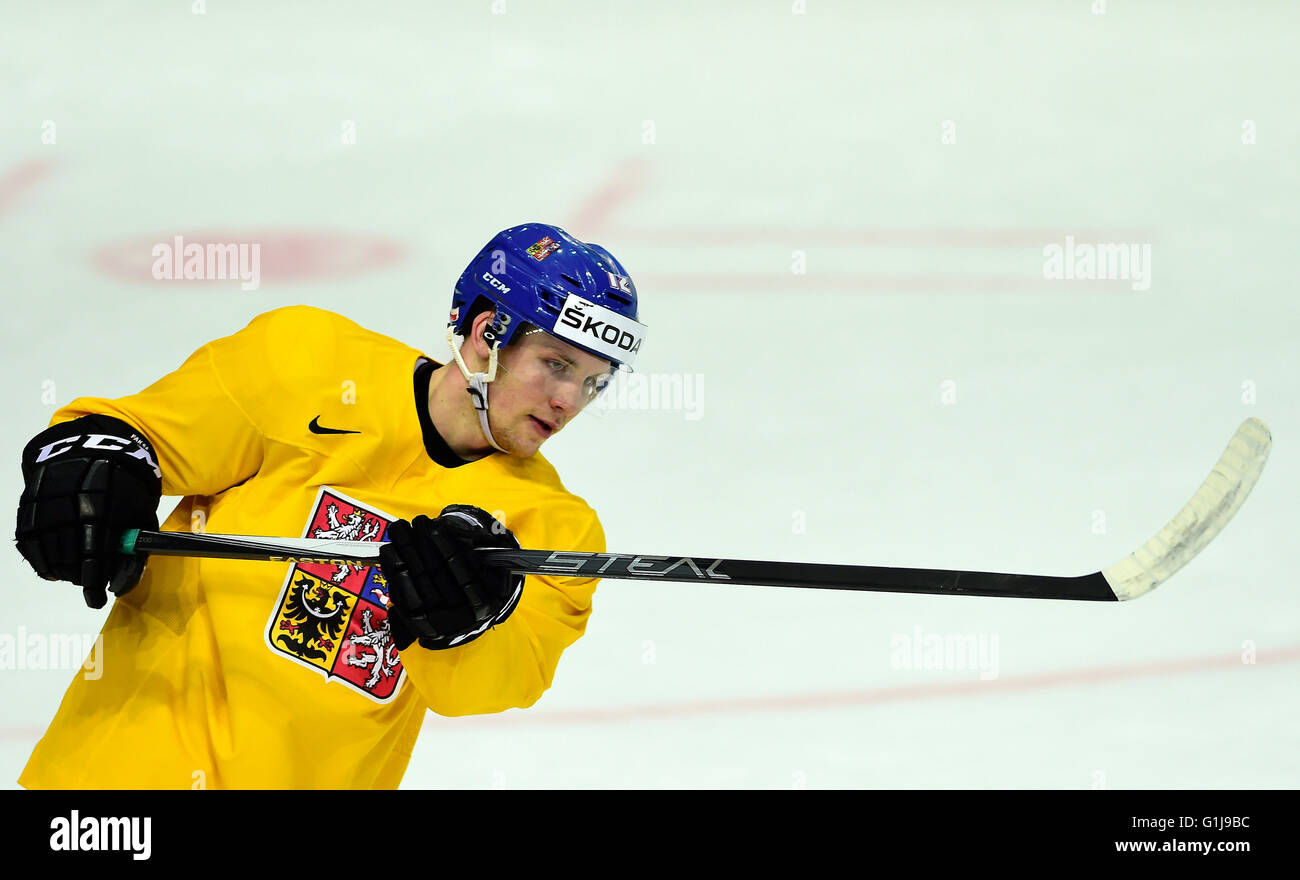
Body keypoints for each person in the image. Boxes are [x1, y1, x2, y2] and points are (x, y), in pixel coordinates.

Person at [14, 222, 647, 789]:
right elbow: (138, 435)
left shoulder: (555, 529)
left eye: (594, 380)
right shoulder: (305, 362)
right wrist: (90, 471)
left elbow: (492, 685)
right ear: (487, 334)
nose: (570, 400)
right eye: (556, 365)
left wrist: (465, 622)